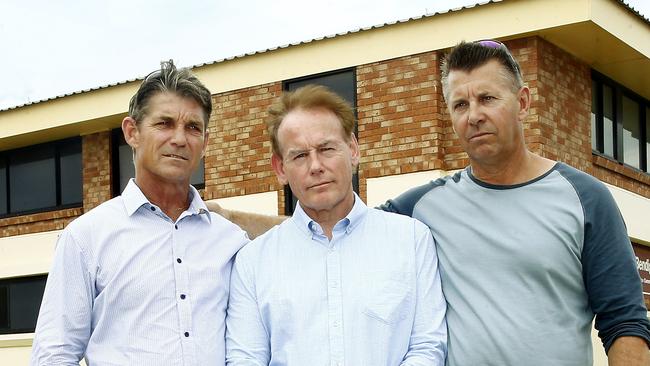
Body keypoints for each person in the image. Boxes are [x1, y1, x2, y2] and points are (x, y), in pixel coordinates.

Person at [379, 41, 650, 365]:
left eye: (487, 98)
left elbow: (624, 322)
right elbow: (347, 229)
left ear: (522, 102)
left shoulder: (587, 198)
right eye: (460, 104)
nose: (474, 115)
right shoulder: (421, 208)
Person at [30, 61, 249, 365]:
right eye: (164, 123)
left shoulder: (232, 243)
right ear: (132, 132)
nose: (179, 139)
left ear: (205, 143)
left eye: (193, 127)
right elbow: (54, 355)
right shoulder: (85, 238)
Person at [225, 85, 447, 365]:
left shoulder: (411, 240)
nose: (316, 166)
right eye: (300, 155)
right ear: (280, 168)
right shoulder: (253, 263)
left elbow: (428, 346)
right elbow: (245, 358)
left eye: (326, 148)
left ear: (353, 149)